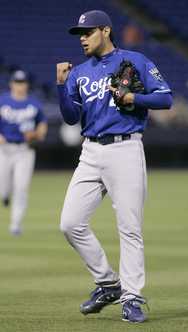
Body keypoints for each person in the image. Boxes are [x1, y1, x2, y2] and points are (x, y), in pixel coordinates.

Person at [57, 10, 172, 323]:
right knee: (70, 223)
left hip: (125, 148)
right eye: (79, 34)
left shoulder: (135, 60)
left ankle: (132, 298)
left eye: (88, 32)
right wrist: (61, 85)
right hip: (90, 152)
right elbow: (70, 117)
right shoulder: (80, 72)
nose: (82, 38)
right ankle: (108, 282)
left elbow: (165, 98)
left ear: (105, 30)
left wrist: (133, 95)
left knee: (130, 229)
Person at [0, 70, 48, 235]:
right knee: (3, 186)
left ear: (27, 84)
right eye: (17, 82)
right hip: (4, 150)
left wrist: (35, 134)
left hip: (24, 150)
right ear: (11, 83)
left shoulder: (34, 104)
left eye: (23, 82)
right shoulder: (3, 101)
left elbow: (42, 125)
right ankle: (5, 195)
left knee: (21, 188)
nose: (20, 85)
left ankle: (15, 224)